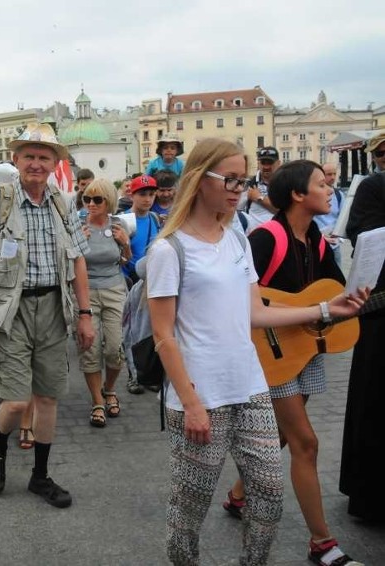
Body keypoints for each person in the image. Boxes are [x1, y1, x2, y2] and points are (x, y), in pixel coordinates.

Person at [145, 138, 367, 566]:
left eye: (241, 179)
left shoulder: (237, 240)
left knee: (268, 495)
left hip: (251, 388)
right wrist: (191, 403)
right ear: (198, 178)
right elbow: (163, 335)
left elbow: (254, 313)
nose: (237, 188)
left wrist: (324, 308)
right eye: (228, 178)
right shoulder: (168, 250)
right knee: (190, 507)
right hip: (200, 397)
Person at [223, 160, 362, 565]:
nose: (329, 189)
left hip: (301, 350)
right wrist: (307, 311)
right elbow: (242, 298)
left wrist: (353, 301)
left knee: (285, 434)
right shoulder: (266, 237)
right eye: (321, 183)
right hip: (271, 352)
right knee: (306, 443)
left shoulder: (315, 237)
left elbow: (334, 290)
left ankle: (237, 496)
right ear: (298, 195)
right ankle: (322, 544)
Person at [0, 122, 95, 508]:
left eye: (44, 157)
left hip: (54, 307)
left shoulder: (63, 202)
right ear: (16, 159)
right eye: (29, 156)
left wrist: (85, 314)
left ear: (55, 162)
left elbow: (78, 260)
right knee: (17, 401)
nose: (36, 163)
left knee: (49, 397)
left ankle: (40, 475)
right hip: (11, 310)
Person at [340, 129, 385, 524]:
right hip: (380, 310)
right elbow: (364, 237)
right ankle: (371, 493)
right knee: (375, 399)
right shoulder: (373, 188)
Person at [78, 178, 131, 427]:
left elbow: (124, 261)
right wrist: (77, 241)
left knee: (114, 348)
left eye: (97, 199)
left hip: (114, 290)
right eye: (87, 199)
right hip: (86, 292)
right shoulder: (78, 226)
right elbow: (69, 263)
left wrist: (126, 245)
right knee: (90, 350)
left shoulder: (118, 225)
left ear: (108, 201)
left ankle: (110, 389)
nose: (91, 204)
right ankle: (97, 400)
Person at [121, 174, 161, 286]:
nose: (147, 199)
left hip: (150, 279)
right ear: (132, 195)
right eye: (142, 194)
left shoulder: (155, 218)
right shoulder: (122, 220)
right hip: (128, 281)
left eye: (151, 194)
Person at [314, 162, 344, 266]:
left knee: (337, 279)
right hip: (317, 244)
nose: (332, 177)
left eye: (334, 174)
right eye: (329, 174)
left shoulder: (339, 195)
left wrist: (339, 237)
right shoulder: (314, 194)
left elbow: (343, 218)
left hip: (334, 245)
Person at [245, 146, 281, 226]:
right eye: (263, 162)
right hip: (254, 235)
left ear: (278, 163)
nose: (266, 166)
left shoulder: (285, 183)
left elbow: (285, 211)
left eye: (270, 163)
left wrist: (259, 197)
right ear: (258, 163)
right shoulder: (249, 183)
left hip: (278, 235)